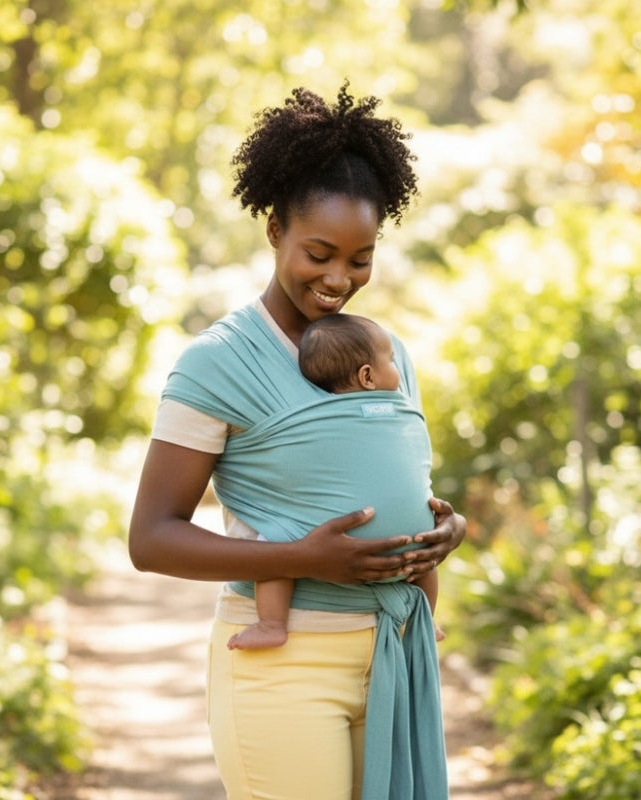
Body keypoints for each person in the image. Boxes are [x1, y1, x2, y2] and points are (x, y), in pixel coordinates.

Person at [128, 83, 466, 800]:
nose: (339, 279)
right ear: (275, 227)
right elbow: (151, 539)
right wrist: (302, 558)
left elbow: (394, 472)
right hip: (282, 670)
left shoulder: (388, 351)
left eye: (361, 258)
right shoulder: (217, 362)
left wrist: (445, 528)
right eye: (320, 252)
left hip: (393, 656)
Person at [226, 312, 445, 651]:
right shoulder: (401, 412)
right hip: (415, 534)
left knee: (273, 547)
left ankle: (271, 624)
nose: (398, 370)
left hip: (333, 533)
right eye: (390, 360)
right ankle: (427, 620)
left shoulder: (314, 418)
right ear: (368, 376)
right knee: (424, 563)